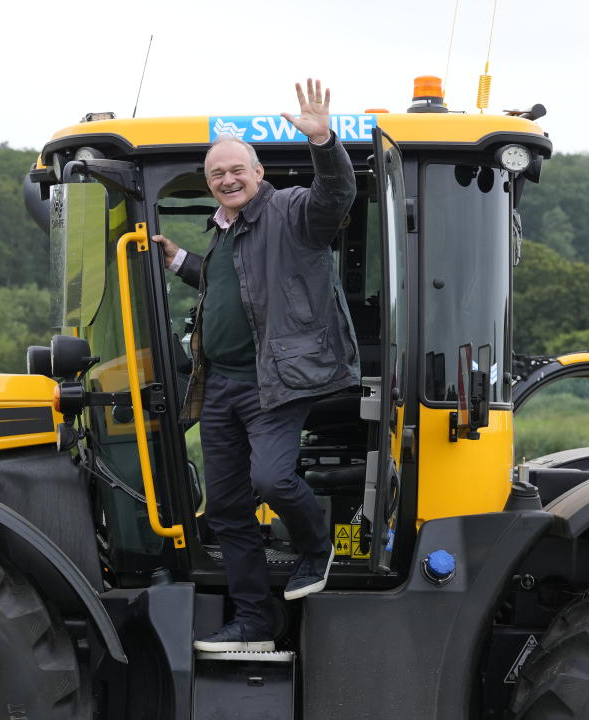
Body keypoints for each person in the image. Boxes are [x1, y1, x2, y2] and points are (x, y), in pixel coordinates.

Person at [153, 79, 359, 653]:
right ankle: (252, 619)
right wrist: (178, 262)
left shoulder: (292, 212)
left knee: (270, 479)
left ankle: (317, 548)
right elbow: (231, 287)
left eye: (236, 170)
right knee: (225, 507)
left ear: (258, 171)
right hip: (220, 387)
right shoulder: (223, 232)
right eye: (217, 174)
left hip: (276, 384)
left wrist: (323, 141)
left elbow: (335, 197)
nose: (227, 179)